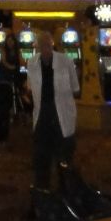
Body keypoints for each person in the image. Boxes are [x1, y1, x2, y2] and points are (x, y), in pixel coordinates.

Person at [26, 29, 80, 190]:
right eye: (41, 45)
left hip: (61, 114)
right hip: (42, 115)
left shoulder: (65, 61)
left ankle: (65, 192)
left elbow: (75, 88)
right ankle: (43, 193)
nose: (44, 48)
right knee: (41, 157)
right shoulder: (32, 63)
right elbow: (30, 88)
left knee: (64, 158)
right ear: (37, 46)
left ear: (52, 44)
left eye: (47, 45)